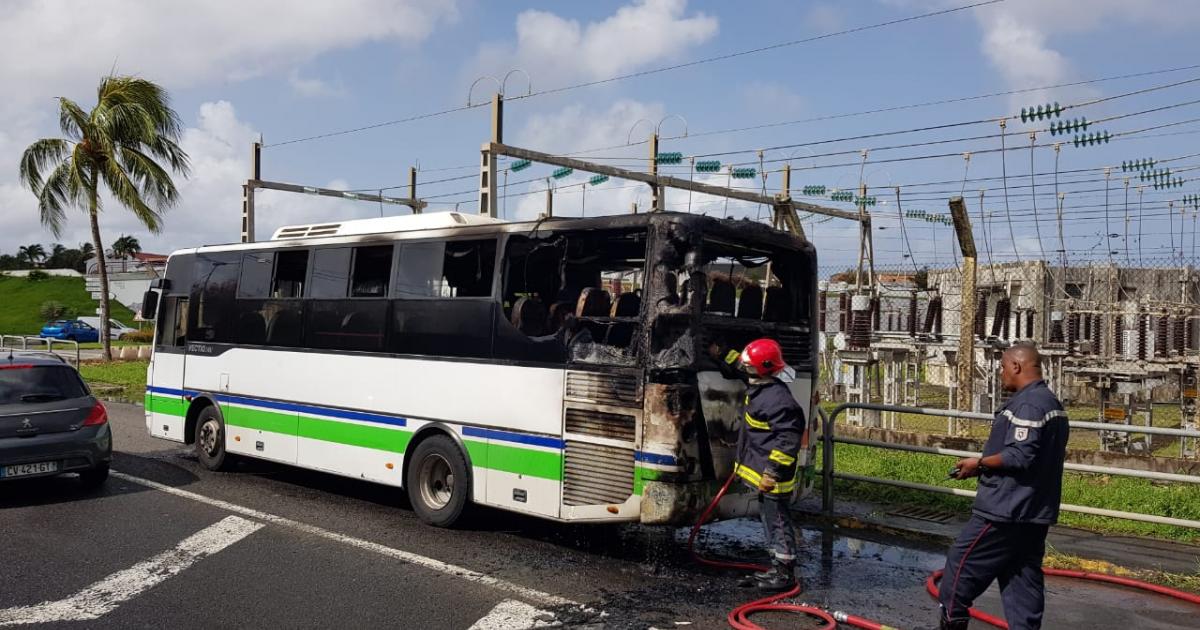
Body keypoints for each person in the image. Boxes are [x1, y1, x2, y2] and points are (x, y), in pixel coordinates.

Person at [937, 343, 1069, 630]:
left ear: (1016, 366)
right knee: (1021, 583)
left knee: (959, 571)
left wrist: (979, 463)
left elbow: (1020, 455)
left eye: (1001, 367)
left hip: (1005, 512)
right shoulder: (1052, 405)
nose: (1000, 374)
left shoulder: (1030, 405)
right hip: (1033, 514)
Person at [710, 338, 806, 592]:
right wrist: (720, 352)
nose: (745, 368)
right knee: (769, 518)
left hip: (774, 477)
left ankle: (785, 572)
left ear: (761, 368)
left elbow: (788, 441)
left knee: (778, 521)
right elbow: (739, 367)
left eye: (749, 365)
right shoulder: (760, 385)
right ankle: (777, 566)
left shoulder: (777, 399)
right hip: (765, 472)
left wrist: (771, 473)